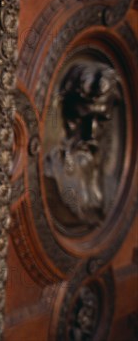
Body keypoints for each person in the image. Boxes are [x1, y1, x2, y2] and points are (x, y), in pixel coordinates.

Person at [44, 62, 120, 227]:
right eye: (81, 118)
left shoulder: (110, 184)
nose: (90, 133)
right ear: (66, 113)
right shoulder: (51, 169)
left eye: (101, 120)